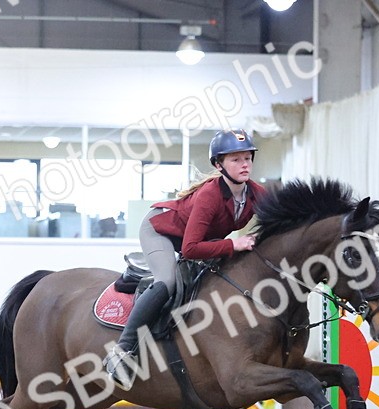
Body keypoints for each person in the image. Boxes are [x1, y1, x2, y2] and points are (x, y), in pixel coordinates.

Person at [105, 129, 267, 390]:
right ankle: (122, 351)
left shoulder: (256, 193)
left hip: (197, 239)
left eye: (248, 158)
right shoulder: (210, 195)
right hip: (160, 231)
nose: (245, 164)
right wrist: (233, 244)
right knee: (167, 281)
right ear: (219, 164)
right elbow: (191, 249)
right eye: (236, 159)